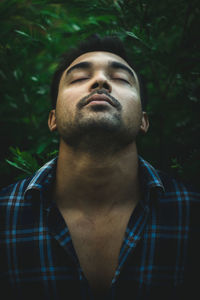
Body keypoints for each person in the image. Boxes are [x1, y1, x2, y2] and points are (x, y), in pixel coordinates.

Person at [0, 35, 199, 300]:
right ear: (53, 119)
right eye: (80, 78)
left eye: (121, 79)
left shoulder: (193, 214)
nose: (100, 81)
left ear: (143, 121)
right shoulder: (4, 216)